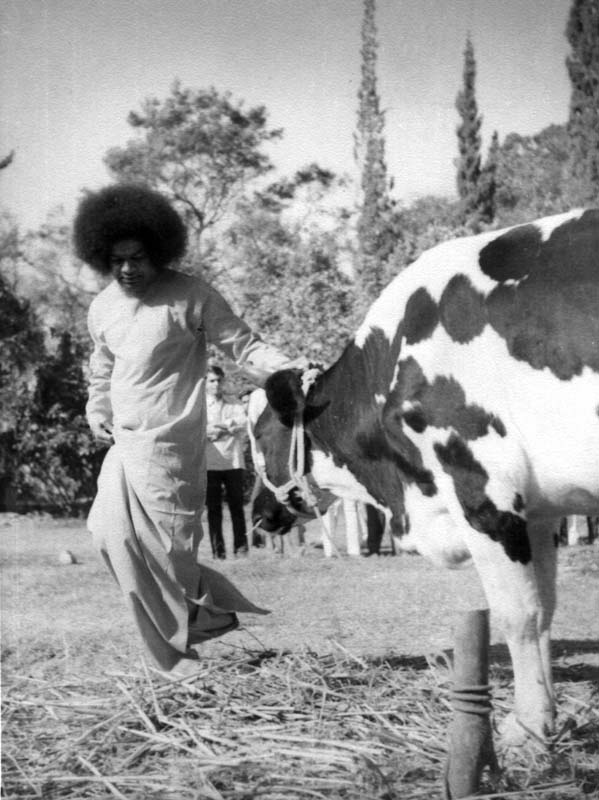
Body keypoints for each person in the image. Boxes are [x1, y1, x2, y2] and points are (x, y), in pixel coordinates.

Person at [74, 183, 297, 671]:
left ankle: (196, 621)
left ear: (157, 251)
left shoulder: (192, 295)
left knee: (171, 558)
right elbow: (102, 370)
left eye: (137, 258)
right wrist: (97, 409)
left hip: (172, 449)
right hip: (124, 444)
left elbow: (243, 347)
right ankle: (173, 655)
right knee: (108, 534)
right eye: (117, 260)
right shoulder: (102, 308)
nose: (127, 269)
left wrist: (291, 371)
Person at [205, 365, 249, 558]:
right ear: (205, 383)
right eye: (211, 381)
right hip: (210, 463)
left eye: (218, 380)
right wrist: (227, 428)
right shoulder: (200, 406)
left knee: (237, 507)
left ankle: (241, 549)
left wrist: (220, 428)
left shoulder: (234, 403)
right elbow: (199, 429)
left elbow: (243, 423)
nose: (216, 384)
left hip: (233, 461)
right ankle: (218, 552)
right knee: (214, 509)